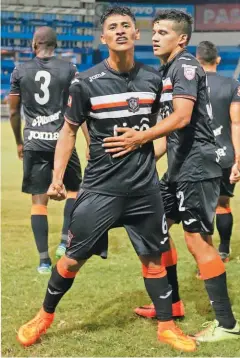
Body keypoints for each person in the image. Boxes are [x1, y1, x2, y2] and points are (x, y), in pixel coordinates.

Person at [16, 7, 196, 352]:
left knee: (154, 259)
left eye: (126, 26)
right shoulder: (85, 82)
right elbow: (68, 131)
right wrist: (57, 177)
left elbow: (164, 127)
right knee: (72, 258)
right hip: (101, 188)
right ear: (104, 37)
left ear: (136, 34)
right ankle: (44, 315)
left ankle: (167, 326)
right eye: (112, 27)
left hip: (144, 189)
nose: (120, 31)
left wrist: (144, 147)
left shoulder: (154, 80)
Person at [103, 9, 240, 342]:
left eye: (162, 32)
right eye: (154, 31)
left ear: (182, 39)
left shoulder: (187, 66)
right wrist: (140, 157)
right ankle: (172, 302)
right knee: (154, 226)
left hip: (197, 169)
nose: (154, 36)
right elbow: (169, 134)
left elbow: (181, 118)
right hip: (179, 170)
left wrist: (139, 137)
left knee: (197, 241)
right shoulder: (168, 69)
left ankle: (227, 325)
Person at [9, 27, 87, 273]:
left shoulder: (20, 70)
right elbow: (80, 109)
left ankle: (43, 261)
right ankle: (65, 241)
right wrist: (91, 142)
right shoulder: (69, 69)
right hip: (62, 140)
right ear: (55, 45)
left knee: (38, 201)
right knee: (75, 191)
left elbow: (12, 111)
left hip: (35, 141)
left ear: (34, 45)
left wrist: (19, 142)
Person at [196, 41, 240, 262]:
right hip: (225, 155)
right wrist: (238, 160)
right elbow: (237, 123)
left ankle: (209, 254)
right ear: (218, 60)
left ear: (197, 61)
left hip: (199, 157)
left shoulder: (190, 86)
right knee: (223, 203)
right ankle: (223, 249)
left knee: (203, 208)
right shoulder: (232, 85)